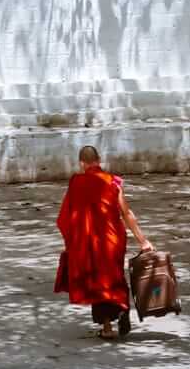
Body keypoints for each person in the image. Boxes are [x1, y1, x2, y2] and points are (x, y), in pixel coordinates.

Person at [55, 144, 153, 340]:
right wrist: (143, 241)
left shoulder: (76, 183)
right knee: (114, 277)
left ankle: (107, 327)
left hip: (90, 243)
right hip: (112, 240)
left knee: (98, 283)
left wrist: (73, 241)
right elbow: (126, 213)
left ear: (82, 163)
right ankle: (123, 307)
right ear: (99, 161)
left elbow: (65, 218)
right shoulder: (113, 182)